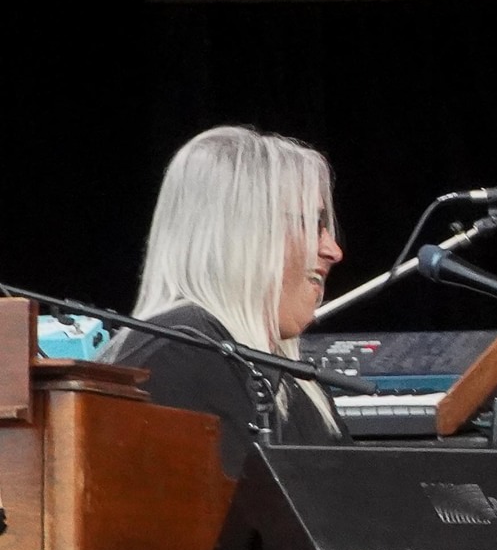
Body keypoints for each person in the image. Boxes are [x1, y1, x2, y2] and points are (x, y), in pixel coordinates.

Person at [102, 125, 347, 475]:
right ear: (244, 233)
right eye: (314, 225)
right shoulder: (175, 360)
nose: (332, 251)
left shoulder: (283, 376)